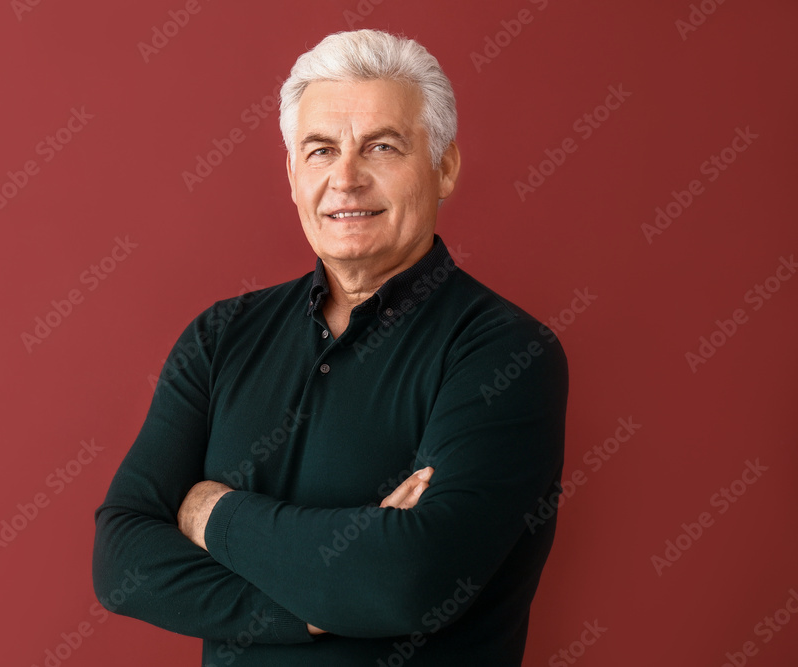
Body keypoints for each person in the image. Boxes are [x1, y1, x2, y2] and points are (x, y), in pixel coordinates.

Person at [93, 28, 568, 666]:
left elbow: (404, 581)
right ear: (293, 174)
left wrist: (211, 513)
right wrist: (321, 603)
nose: (345, 178)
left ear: (445, 166)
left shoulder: (506, 352)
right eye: (320, 150)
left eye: (381, 146)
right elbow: (122, 557)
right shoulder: (220, 336)